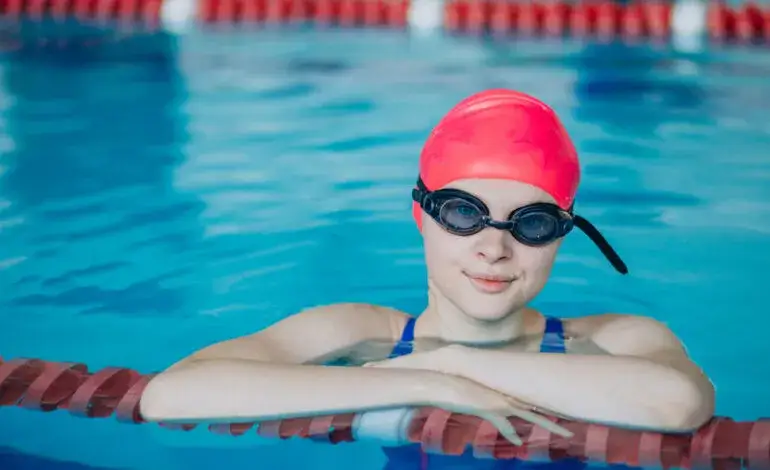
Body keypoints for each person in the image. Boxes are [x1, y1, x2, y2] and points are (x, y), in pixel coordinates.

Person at [138, 89, 715, 449]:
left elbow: (678, 403)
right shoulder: (357, 331)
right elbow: (170, 395)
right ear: (422, 216)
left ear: (563, 234)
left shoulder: (617, 338)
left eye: (532, 223)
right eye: (465, 214)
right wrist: (425, 381)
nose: (495, 249)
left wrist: (455, 360)